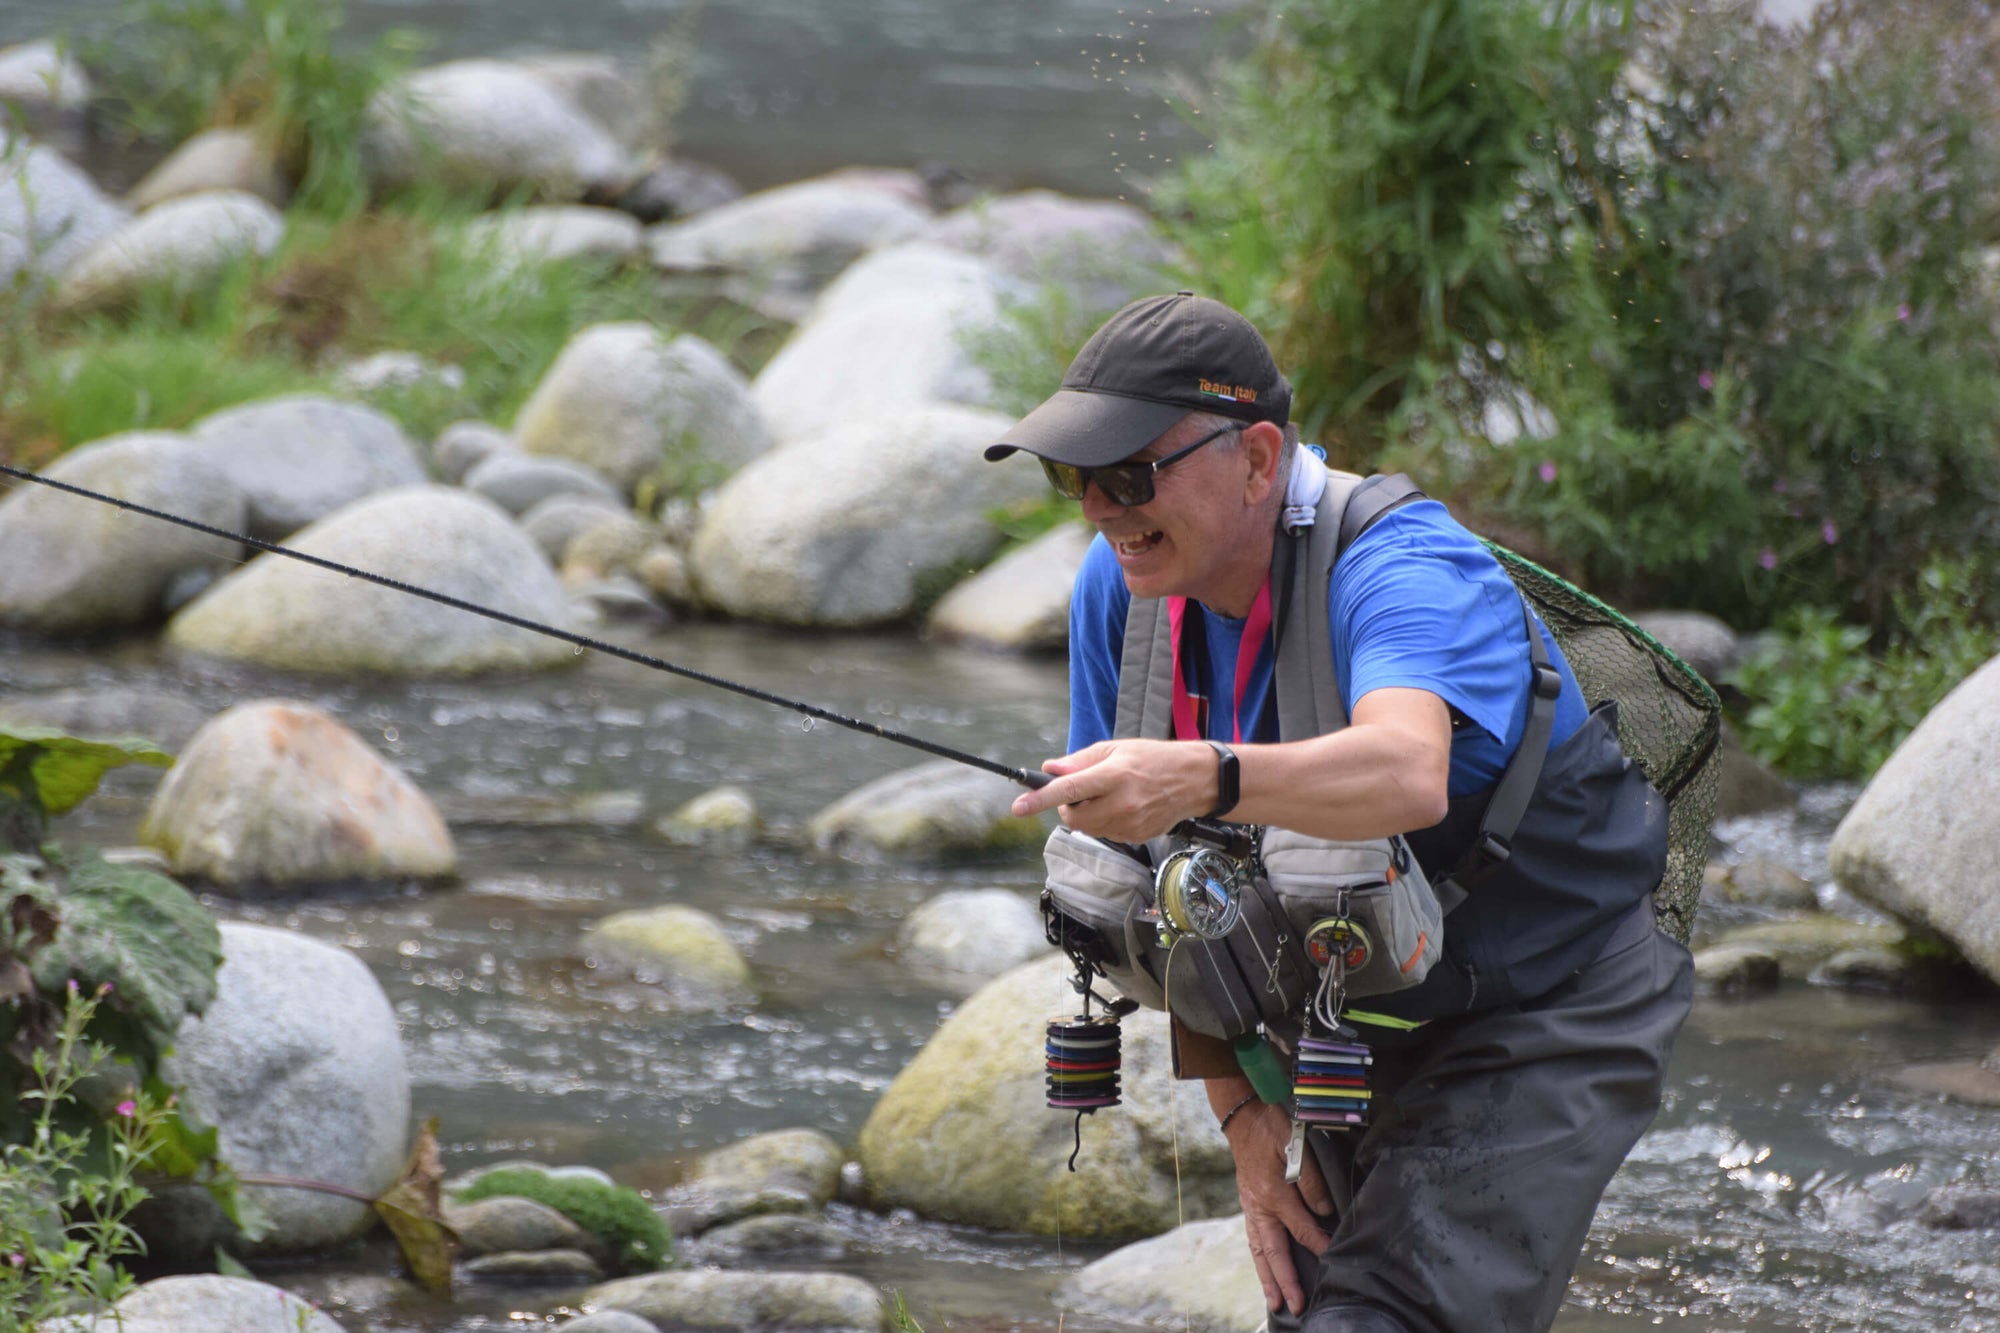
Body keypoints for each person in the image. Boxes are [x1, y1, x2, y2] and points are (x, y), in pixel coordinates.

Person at [991, 292, 1694, 1333]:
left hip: (1551, 997)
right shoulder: (1124, 588)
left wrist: (1203, 776)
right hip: (1348, 1015)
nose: (1099, 507)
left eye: (1129, 474)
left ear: (1256, 459)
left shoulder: (1403, 567)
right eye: (1072, 476)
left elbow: (1408, 770)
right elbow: (1167, 888)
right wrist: (1243, 1118)